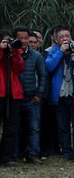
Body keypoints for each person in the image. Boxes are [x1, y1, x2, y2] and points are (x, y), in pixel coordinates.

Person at [45, 26, 74, 161]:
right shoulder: (53, 52)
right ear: (55, 39)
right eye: (61, 37)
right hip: (60, 95)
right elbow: (48, 67)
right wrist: (60, 53)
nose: (65, 39)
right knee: (62, 125)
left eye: (67, 36)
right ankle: (66, 152)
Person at [15, 26, 46, 164]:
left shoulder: (36, 56)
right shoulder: (11, 54)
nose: (23, 41)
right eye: (20, 38)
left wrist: (39, 94)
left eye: (26, 38)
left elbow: (43, 76)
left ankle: (33, 154)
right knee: (15, 128)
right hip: (15, 98)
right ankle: (14, 154)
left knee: (34, 128)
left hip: (31, 98)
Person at [0, 32, 25, 166]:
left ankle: (6, 157)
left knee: (11, 127)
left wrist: (14, 52)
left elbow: (20, 68)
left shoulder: (14, 53)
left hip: (13, 94)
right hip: (1, 93)